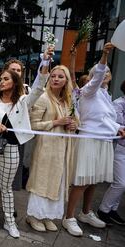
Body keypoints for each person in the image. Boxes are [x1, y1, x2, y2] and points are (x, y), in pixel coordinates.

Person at [0, 53, 49, 238]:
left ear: (15, 82)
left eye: (6, 78)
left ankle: (9, 222)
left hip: (11, 149)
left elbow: (39, 87)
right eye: (1, 78)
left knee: (6, 188)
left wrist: (46, 61)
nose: (1, 81)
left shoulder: (23, 101)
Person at [62, 43, 125, 236]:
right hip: (89, 139)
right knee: (83, 180)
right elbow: (96, 75)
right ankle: (69, 217)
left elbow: (106, 119)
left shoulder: (107, 95)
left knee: (95, 180)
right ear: (91, 78)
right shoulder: (89, 91)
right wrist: (105, 55)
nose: (104, 72)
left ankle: (86, 212)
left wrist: (119, 128)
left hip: (105, 140)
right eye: (100, 71)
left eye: (107, 71)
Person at [25, 65, 77, 232]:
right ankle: (34, 215)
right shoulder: (43, 98)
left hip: (63, 149)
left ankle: (47, 216)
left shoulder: (68, 100)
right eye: (53, 76)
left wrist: (74, 125)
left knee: (57, 181)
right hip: (46, 148)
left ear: (66, 80)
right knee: (42, 181)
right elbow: (32, 124)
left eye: (60, 77)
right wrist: (56, 122)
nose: (55, 79)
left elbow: (76, 122)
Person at [97, 80, 125, 225]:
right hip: (120, 147)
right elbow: (118, 126)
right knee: (120, 183)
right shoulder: (119, 104)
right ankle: (104, 210)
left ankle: (112, 209)